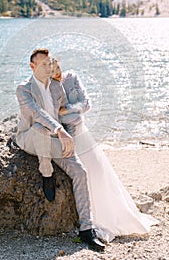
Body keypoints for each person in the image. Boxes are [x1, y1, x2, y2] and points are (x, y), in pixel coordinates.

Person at [52, 58, 158, 242]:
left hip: (83, 135)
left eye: (58, 68)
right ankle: (89, 221)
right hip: (69, 138)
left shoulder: (71, 77)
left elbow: (86, 104)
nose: (58, 73)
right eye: (53, 71)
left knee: (100, 173)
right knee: (84, 177)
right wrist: (70, 114)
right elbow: (55, 117)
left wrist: (68, 109)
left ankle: (111, 217)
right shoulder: (50, 88)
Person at [15, 48, 105, 252]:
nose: (48, 68)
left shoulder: (57, 87)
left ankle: (86, 229)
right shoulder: (24, 89)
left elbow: (63, 111)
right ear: (32, 66)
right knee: (41, 127)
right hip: (29, 136)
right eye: (42, 64)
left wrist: (68, 131)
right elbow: (36, 114)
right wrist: (58, 129)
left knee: (80, 172)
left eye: (49, 63)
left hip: (55, 138)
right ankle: (46, 171)